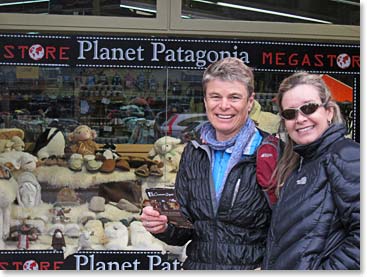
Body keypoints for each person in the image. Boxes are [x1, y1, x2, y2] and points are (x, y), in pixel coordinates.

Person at [141, 57, 272, 270]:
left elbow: (287, 231)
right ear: (205, 101)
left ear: (250, 102)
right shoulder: (194, 151)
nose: (224, 105)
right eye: (215, 96)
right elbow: (187, 228)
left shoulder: (270, 153)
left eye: (234, 97)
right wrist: (163, 226)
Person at [262, 72, 360, 270]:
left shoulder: (346, 154)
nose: (300, 119)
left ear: (329, 111)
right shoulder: (298, 163)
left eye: (309, 108)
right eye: (290, 113)